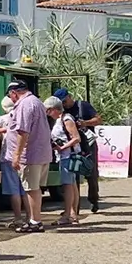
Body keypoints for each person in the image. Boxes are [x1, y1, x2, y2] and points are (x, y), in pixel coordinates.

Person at [0, 81, 54, 232]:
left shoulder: (24, 104)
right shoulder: (36, 101)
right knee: (34, 189)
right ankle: (34, 219)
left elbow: (23, 131)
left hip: (30, 154)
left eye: (10, 96)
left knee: (30, 189)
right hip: (41, 153)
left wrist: (16, 155)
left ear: (13, 93)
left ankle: (35, 221)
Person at [52, 88, 100, 212]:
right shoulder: (62, 113)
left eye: (65, 101)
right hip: (73, 147)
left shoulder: (83, 106)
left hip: (88, 144)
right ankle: (74, 208)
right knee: (74, 176)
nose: (64, 104)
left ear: (70, 96)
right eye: (61, 103)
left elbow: (98, 120)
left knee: (91, 173)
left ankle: (93, 199)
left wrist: (85, 123)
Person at [48, 96, 85, 226]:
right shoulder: (60, 119)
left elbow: (76, 138)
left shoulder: (66, 119)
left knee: (67, 185)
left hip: (68, 156)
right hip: (66, 155)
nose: (48, 113)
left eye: (48, 110)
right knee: (72, 184)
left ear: (54, 109)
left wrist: (62, 147)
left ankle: (68, 214)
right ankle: (72, 214)